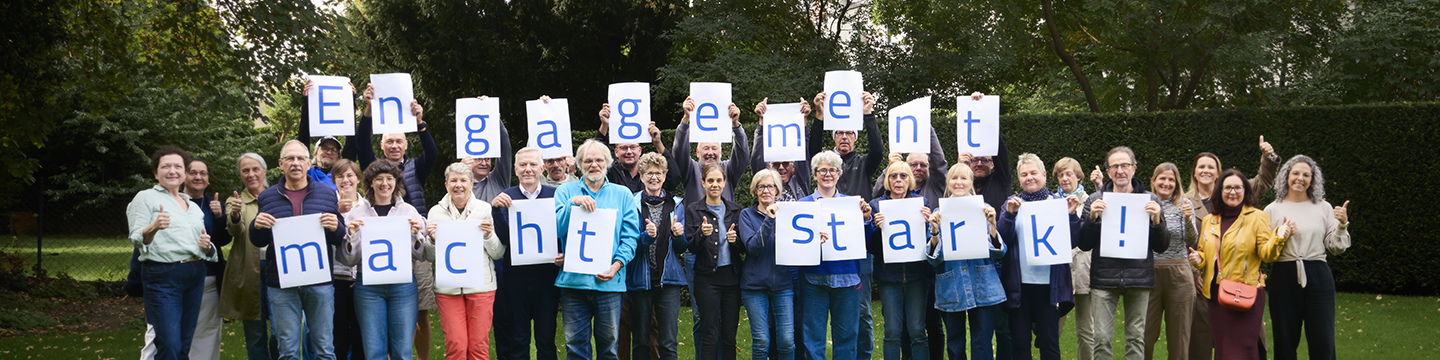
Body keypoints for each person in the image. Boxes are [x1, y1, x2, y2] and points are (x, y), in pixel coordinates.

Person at [1176, 137, 1279, 360]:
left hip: (1241, 286)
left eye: (1210, 167)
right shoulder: (1184, 201)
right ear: (1194, 172)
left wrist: (1268, 158)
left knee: (1243, 346)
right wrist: (1194, 272)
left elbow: (1262, 180)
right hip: (1203, 285)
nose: (1205, 170)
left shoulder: (1235, 192)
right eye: (1201, 167)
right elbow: (1184, 244)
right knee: (1205, 345)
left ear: (1218, 173)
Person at [249, 140, 347, 360]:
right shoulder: (267, 197)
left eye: (300, 158)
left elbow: (339, 236)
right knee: (288, 352)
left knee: (324, 349)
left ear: (309, 162)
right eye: (290, 159)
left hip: (319, 283)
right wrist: (256, 226)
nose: (295, 163)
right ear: (281, 164)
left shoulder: (327, 194)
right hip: (282, 285)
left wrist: (336, 226)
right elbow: (259, 240)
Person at [1187, 169, 1296, 360]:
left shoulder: (1257, 217)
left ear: (1245, 191)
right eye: (1228, 187)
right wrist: (1200, 259)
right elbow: (1207, 252)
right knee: (1223, 349)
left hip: (1245, 294)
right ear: (1220, 191)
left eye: (1238, 187)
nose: (1232, 192)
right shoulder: (1209, 220)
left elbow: (1267, 254)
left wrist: (1279, 237)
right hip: (1216, 296)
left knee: (1244, 348)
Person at [809, 90, 883, 359]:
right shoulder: (825, 167)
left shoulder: (864, 164)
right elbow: (813, 150)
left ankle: (862, 356)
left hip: (857, 250)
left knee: (861, 311)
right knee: (819, 317)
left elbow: (878, 149)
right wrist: (818, 116)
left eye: (849, 133)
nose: (844, 136)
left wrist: (868, 115)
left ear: (855, 137)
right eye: (839, 132)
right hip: (826, 249)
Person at [126, 147, 219, 360]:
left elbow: (204, 247)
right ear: (155, 173)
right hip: (162, 275)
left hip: (195, 273)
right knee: (169, 344)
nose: (172, 171)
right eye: (165, 166)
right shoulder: (145, 197)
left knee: (184, 345)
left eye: (178, 166)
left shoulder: (192, 206)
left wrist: (207, 246)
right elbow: (136, 237)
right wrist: (154, 227)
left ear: (184, 173)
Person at [1076, 147, 1168, 360]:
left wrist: (1156, 221)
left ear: (1134, 169)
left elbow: (1162, 246)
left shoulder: (1149, 198)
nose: (1120, 170)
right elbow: (1084, 244)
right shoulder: (1095, 199)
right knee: (1101, 338)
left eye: (1125, 165)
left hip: (1139, 277)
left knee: (1136, 338)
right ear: (1108, 172)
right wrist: (1091, 219)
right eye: (1114, 166)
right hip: (1103, 278)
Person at [553, 139, 640, 360]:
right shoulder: (565, 191)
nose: (594, 165)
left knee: (609, 348)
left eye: (599, 160)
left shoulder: (622, 195)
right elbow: (555, 228)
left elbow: (630, 237)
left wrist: (616, 265)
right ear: (580, 164)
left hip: (609, 283)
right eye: (588, 160)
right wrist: (573, 203)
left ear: (608, 163)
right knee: (575, 347)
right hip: (573, 283)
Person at [337, 160, 431, 360]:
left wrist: (416, 235)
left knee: (402, 351)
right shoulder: (356, 213)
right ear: (370, 182)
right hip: (368, 288)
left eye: (389, 179)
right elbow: (348, 261)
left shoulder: (409, 212)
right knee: (374, 351)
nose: (384, 183)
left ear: (397, 182)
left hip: (403, 286)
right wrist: (352, 235)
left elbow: (422, 255)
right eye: (378, 179)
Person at [1264, 155, 1351, 360]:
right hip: (1284, 275)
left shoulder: (1323, 207)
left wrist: (1343, 225)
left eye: (1306, 174)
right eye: (1295, 173)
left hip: (1318, 275)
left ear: (1312, 180)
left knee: (1323, 339)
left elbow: (1336, 247)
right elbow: (1264, 250)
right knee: (1285, 339)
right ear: (1286, 176)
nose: (1300, 178)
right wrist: (1280, 235)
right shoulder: (1272, 209)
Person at [996, 153, 1082, 360]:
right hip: (1020, 285)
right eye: (1024, 174)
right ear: (1019, 178)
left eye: (1033, 172)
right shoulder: (1011, 203)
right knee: (1020, 341)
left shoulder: (1059, 202)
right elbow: (1001, 240)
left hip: (1048, 285)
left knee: (1049, 342)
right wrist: (1009, 215)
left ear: (1043, 175)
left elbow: (1073, 241)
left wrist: (1071, 215)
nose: (1029, 177)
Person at [795, 150, 873, 360]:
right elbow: (795, 247)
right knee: (813, 338)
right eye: (823, 170)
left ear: (839, 174)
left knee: (847, 337)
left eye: (833, 170)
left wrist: (866, 219)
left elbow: (865, 242)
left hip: (847, 277)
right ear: (814, 174)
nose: (828, 174)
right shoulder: (802, 206)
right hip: (814, 278)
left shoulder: (852, 204)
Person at [926, 163, 1006, 360]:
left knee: (982, 342)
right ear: (948, 182)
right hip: (951, 285)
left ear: (971, 182)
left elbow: (998, 252)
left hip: (982, 283)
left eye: (963, 178)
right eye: (954, 178)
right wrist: (934, 232)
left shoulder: (983, 209)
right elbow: (934, 259)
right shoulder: (939, 212)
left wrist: (992, 226)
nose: (958, 182)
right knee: (954, 344)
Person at [425, 162, 505, 360]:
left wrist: (488, 236)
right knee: (456, 345)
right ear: (446, 185)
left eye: (463, 180)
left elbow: (497, 253)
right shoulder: (435, 212)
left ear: (471, 184)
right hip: (448, 289)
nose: (458, 185)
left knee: (478, 346)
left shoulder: (485, 209)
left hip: (481, 287)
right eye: (453, 180)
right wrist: (433, 240)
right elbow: (429, 256)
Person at [489, 146, 563, 360]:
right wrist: (495, 211)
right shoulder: (505, 197)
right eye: (523, 165)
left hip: (546, 278)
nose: (528, 169)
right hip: (516, 278)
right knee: (518, 337)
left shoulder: (555, 195)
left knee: (546, 338)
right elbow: (504, 239)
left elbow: (562, 231)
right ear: (515, 169)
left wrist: (562, 253)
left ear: (542, 168)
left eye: (532, 164)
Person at [867, 161, 934, 360]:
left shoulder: (921, 203)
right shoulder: (876, 205)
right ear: (887, 180)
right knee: (892, 332)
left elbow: (929, 241)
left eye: (903, 176)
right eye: (893, 176)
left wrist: (928, 224)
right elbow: (871, 247)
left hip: (917, 276)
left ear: (910, 180)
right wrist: (878, 230)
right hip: (889, 278)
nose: (898, 180)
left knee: (917, 331)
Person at [626, 152, 687, 360]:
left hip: (669, 282)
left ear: (665, 175)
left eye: (659, 173)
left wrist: (678, 236)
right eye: (649, 173)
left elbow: (681, 248)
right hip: (639, 282)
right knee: (641, 341)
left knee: (668, 343)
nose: (654, 177)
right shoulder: (632, 204)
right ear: (641, 176)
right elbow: (628, 246)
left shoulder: (677, 204)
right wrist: (646, 238)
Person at [219, 153, 278, 360]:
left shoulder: (278, 195)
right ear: (240, 175)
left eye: (255, 169)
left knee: (281, 330)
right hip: (248, 271)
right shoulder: (234, 201)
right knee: (255, 332)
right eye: (245, 170)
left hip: (277, 270)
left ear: (264, 171)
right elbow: (235, 232)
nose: (251, 174)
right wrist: (235, 215)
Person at [686, 163, 745, 360]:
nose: (715, 184)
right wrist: (701, 235)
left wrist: (735, 241)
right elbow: (691, 246)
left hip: (732, 279)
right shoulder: (694, 210)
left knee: (729, 335)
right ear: (703, 183)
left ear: (724, 183)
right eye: (710, 180)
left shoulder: (735, 210)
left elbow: (744, 248)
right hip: (706, 280)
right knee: (709, 334)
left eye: (719, 180)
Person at [1140, 162, 1199, 360]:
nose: (1166, 183)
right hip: (1149, 272)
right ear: (1153, 181)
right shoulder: (1143, 203)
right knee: (1144, 337)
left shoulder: (1184, 204)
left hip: (1179, 273)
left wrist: (1189, 220)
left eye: (1171, 180)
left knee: (1179, 337)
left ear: (1177, 183)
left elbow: (1192, 241)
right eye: (1162, 178)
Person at [738, 169, 796, 360]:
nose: (766, 190)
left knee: (787, 341)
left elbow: (799, 244)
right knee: (762, 341)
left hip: (783, 284)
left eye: (770, 186)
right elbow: (753, 247)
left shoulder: (788, 215)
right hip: (754, 286)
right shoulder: (746, 215)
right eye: (761, 186)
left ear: (777, 190)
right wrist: (769, 220)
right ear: (755, 191)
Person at [1051, 157, 1093, 360]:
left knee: (1086, 330)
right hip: (1060, 273)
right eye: (1060, 174)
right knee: (1053, 328)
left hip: (1085, 270)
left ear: (1078, 176)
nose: (1065, 178)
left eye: (1069, 173)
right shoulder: (1050, 202)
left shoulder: (1091, 201)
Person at [594, 100, 680, 194]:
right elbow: (596, 156)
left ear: (639, 151)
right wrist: (604, 125)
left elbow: (674, 179)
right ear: (616, 152)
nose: (629, 151)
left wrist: (658, 143)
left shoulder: (649, 171)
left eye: (633, 147)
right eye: (624, 148)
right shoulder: (610, 172)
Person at [673, 96, 749, 202]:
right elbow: (679, 151)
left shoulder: (729, 169)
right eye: (705, 148)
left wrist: (735, 125)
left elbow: (742, 153)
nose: (710, 152)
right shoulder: (690, 170)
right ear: (697, 152)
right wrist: (686, 119)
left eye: (714, 148)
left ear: (721, 152)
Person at [329, 159, 366, 360]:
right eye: (340, 176)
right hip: (337, 279)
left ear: (358, 179)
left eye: (350, 175)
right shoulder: (327, 205)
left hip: (361, 280)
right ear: (334, 180)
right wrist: (337, 212)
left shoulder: (369, 206)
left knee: (361, 335)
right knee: (339, 336)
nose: (346, 180)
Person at [749, 98, 813, 202]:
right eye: (776, 164)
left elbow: (803, 153)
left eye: (786, 163)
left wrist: (803, 120)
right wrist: (761, 122)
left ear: (793, 167)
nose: (781, 167)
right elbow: (757, 158)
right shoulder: (765, 185)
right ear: (769, 167)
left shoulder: (800, 183)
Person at [464, 96, 515, 204]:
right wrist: (461, 171)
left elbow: (505, 147)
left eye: (487, 158)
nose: (484, 163)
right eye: (478, 159)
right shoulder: (462, 185)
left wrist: (493, 114)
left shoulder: (498, 179)